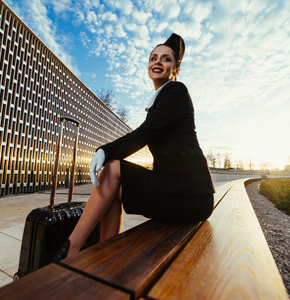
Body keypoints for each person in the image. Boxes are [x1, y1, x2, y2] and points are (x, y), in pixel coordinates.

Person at [52, 33, 215, 260]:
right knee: (111, 188)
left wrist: (105, 151)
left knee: (112, 169)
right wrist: (105, 150)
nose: (157, 62)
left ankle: (70, 250)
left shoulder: (176, 92)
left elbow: (144, 134)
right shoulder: (163, 98)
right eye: (153, 57)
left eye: (166, 59)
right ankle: (104, 256)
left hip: (188, 195)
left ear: (176, 69)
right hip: (179, 191)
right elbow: (143, 132)